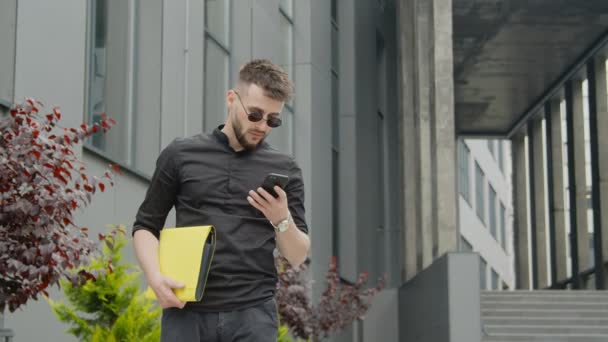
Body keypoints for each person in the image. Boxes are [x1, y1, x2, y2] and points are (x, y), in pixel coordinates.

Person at [132, 59, 310, 341]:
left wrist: (281, 219)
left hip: (253, 315)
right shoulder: (180, 154)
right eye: (255, 114)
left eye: (272, 120)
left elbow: (298, 255)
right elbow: (145, 226)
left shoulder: (285, 168)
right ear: (231, 99)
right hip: (186, 311)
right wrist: (154, 276)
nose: (262, 126)